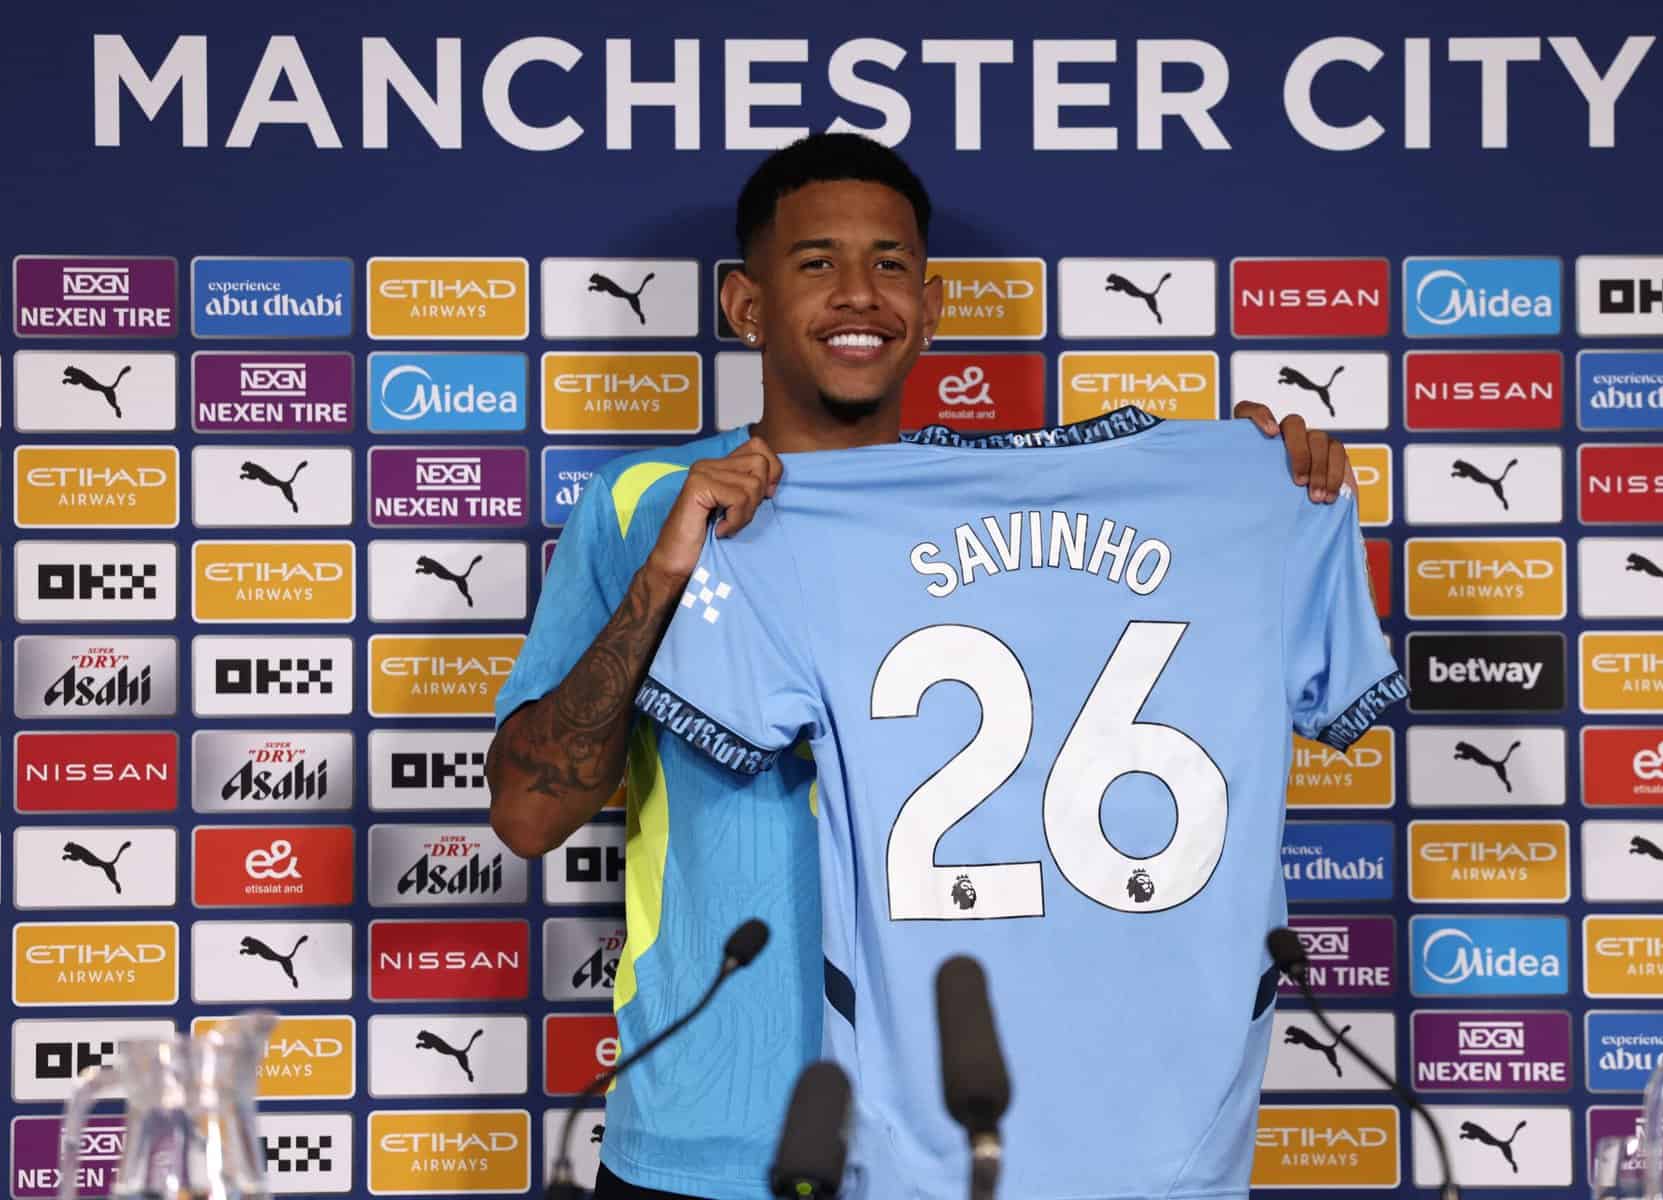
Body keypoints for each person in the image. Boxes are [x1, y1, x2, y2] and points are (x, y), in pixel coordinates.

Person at [488, 131, 1355, 1200]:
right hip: (708, 1138)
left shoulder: (1032, 521)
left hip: (952, 1145)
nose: (860, 294)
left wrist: (1260, 492)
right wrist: (665, 577)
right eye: (817, 263)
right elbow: (528, 816)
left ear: (932, 307)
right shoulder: (642, 503)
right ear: (745, 304)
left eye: (890, 264)